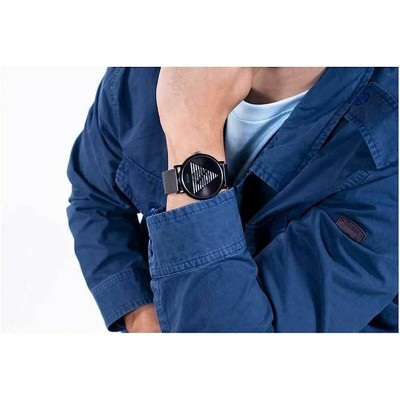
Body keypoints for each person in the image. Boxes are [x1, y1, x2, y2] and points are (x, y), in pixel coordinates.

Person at [66, 67, 398, 333]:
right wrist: (141, 316)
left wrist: (192, 130)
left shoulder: (386, 147)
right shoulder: (144, 72)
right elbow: (94, 198)